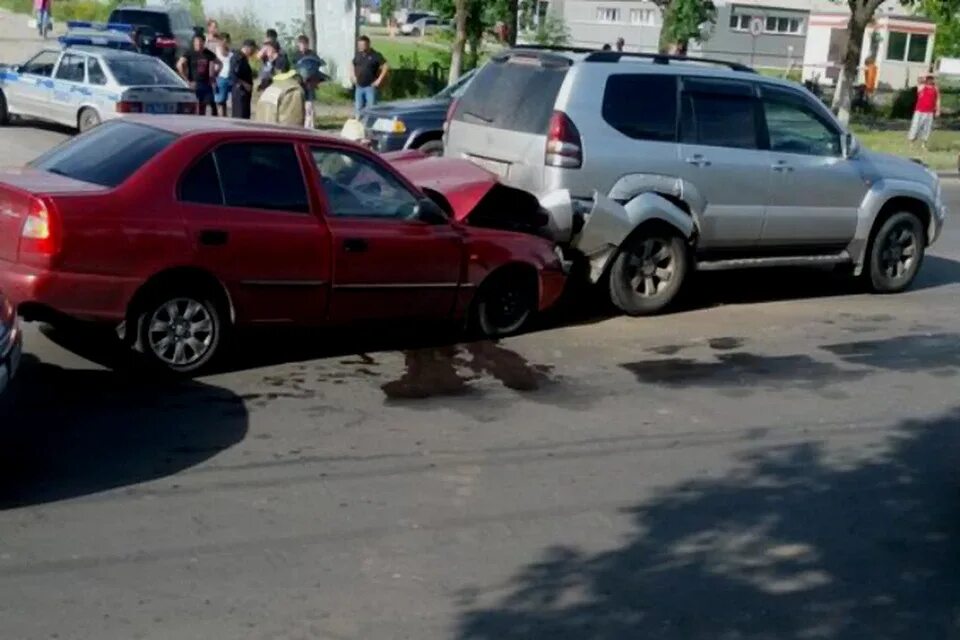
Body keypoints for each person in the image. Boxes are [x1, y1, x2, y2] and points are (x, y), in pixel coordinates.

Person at [255, 54, 325, 128]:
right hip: (276, 136)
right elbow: (292, 128)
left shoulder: (276, 85)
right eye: (315, 81)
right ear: (308, 78)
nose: (316, 87)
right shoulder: (294, 92)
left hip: (262, 134)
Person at [177, 34, 221, 116]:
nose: (198, 45)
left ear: (204, 43)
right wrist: (186, 80)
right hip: (194, 83)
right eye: (196, 43)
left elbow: (219, 63)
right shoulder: (189, 53)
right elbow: (179, 64)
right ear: (193, 43)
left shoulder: (208, 53)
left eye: (200, 43)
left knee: (210, 106)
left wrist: (215, 74)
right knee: (195, 106)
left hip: (206, 83)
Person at [351, 35, 388, 116]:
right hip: (359, 87)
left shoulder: (375, 55)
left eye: (362, 45)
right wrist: (353, 76)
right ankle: (359, 125)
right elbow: (352, 64)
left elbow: (386, 66)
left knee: (372, 109)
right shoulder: (358, 55)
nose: (360, 47)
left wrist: (379, 80)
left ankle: (371, 125)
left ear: (368, 44)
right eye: (359, 45)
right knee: (358, 108)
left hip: (370, 87)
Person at [908, 71, 941, 151]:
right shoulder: (921, 86)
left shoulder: (935, 88)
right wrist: (927, 74)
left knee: (927, 128)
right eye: (928, 78)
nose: (930, 80)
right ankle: (912, 143)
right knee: (916, 126)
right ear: (926, 79)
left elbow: (938, 99)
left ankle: (923, 144)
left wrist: (938, 110)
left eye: (931, 79)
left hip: (929, 112)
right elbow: (919, 79)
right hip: (919, 111)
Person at [231, 39, 256, 120]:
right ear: (247, 48)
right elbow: (233, 75)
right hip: (240, 92)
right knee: (240, 116)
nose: (253, 52)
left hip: (244, 93)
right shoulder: (238, 58)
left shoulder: (244, 58)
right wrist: (245, 84)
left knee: (245, 116)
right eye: (252, 49)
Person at [214, 33, 234, 117]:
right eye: (224, 40)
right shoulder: (217, 50)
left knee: (225, 102)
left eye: (227, 40)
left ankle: (224, 117)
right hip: (221, 77)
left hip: (230, 78)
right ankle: (219, 118)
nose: (225, 42)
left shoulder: (231, 51)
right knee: (220, 101)